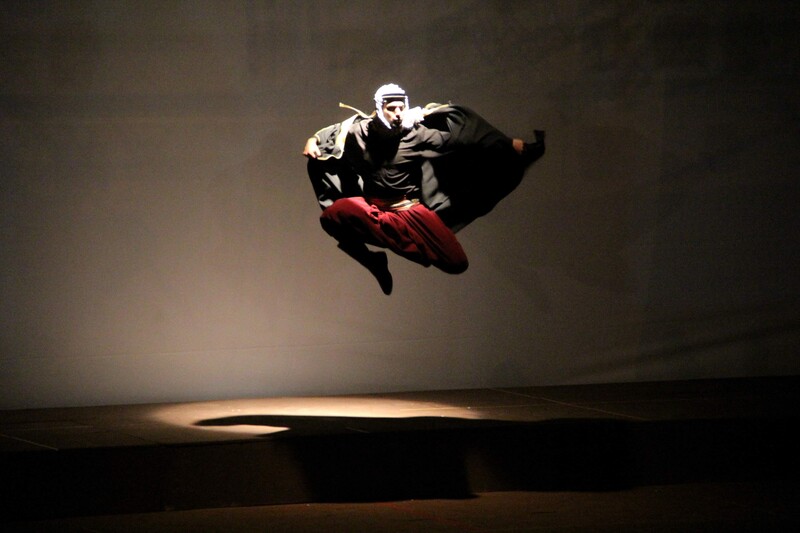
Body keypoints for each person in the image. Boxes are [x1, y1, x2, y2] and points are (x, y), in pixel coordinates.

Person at [303, 83, 545, 295]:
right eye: (391, 108)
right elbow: (333, 133)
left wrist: (510, 145)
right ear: (378, 109)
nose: (398, 114)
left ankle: (392, 239)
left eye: (401, 108)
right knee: (332, 216)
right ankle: (374, 261)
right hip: (373, 207)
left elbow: (463, 138)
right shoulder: (358, 132)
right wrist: (312, 140)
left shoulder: (417, 135)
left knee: (456, 262)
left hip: (409, 211)